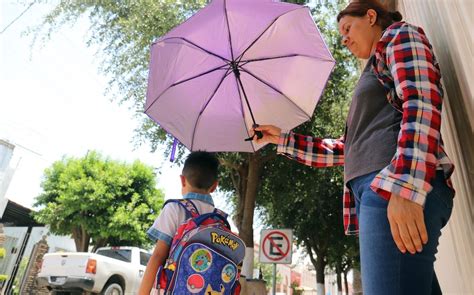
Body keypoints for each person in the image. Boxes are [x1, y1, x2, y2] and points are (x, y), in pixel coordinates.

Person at [251, 1, 454, 294]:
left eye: (348, 28)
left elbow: (422, 100)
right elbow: (349, 149)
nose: (343, 39)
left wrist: (404, 186)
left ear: (371, 16)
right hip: (383, 192)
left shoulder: (397, 36)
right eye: (341, 35)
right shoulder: (373, 69)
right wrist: (281, 139)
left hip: (393, 187)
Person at [138, 151, 220, 295]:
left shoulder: (175, 208)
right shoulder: (219, 219)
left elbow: (158, 256)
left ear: (183, 180)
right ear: (214, 186)